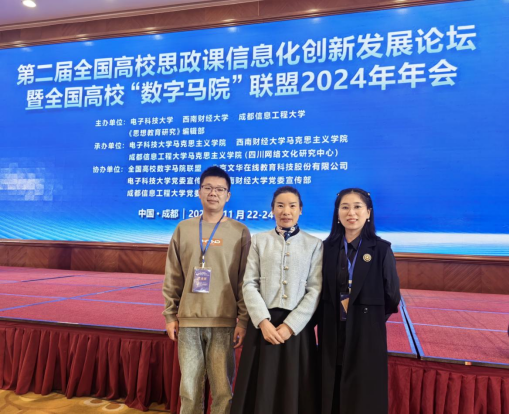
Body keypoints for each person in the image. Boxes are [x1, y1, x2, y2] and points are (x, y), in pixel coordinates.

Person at [162, 166, 251, 414]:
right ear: (199, 192)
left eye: (220, 189)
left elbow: (245, 280)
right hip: (188, 320)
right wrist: (170, 315)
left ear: (228, 195)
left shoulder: (240, 232)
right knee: (189, 390)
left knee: (223, 390)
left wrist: (243, 320)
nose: (213, 193)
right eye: (208, 188)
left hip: (224, 321)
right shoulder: (184, 229)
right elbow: (173, 275)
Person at [231, 186, 323, 414]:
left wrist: (290, 326)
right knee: (260, 388)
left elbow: (315, 290)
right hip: (263, 325)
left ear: (300, 210)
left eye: (292, 205)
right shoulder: (259, 241)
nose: (286, 211)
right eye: (280, 205)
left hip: (296, 328)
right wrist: (263, 322)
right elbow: (249, 283)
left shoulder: (314, 244)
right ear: (272, 209)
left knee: (293, 390)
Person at [318, 188, 401, 414]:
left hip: (366, 332)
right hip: (332, 330)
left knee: (363, 391)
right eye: (345, 207)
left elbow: (392, 295)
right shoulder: (325, 248)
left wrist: (370, 318)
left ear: (368, 213)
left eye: (357, 207)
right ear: (337, 213)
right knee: (332, 387)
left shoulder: (381, 249)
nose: (351, 213)